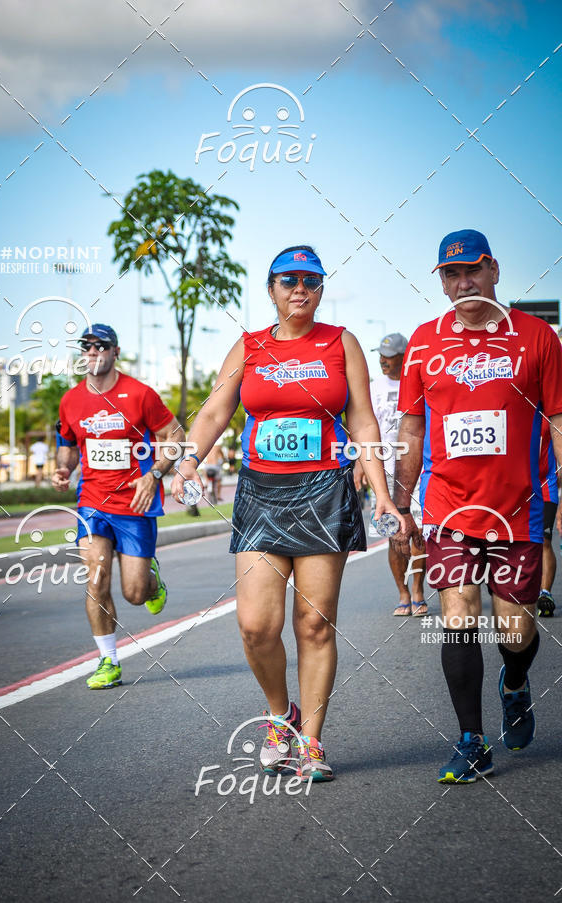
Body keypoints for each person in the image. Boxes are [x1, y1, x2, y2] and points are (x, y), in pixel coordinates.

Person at [171, 245, 403, 781]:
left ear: (321, 287)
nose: (301, 289)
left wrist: (383, 494)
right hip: (260, 495)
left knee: (315, 626)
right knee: (255, 625)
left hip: (323, 492)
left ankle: (313, 743)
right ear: (271, 289)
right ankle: (281, 716)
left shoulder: (341, 342)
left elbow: (364, 421)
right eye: (289, 280)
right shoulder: (248, 347)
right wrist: (186, 465)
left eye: (312, 280)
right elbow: (213, 412)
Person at [393, 229, 562, 783]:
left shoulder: (537, 337)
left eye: (473, 270)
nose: (463, 282)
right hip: (449, 507)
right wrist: (401, 500)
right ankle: (472, 740)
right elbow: (413, 429)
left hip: (517, 507)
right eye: (450, 274)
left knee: (516, 631)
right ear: (441, 282)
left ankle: (514, 682)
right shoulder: (423, 341)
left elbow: (557, 420)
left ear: (494, 270)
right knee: (458, 614)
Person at [52, 323, 185, 690]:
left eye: (101, 346)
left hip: (135, 502)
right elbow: (66, 441)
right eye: (87, 346)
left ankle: (152, 581)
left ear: (115, 352)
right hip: (92, 502)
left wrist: (155, 474)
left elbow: (175, 436)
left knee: (135, 593)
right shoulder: (70, 400)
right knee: (96, 577)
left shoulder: (140, 395)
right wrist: (64, 467)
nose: (92, 352)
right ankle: (108, 661)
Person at [368, 333, 426, 616]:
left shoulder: (416, 381)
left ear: (403, 357)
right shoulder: (374, 387)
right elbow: (365, 427)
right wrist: (361, 465)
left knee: (419, 533)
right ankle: (402, 592)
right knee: (393, 534)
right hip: (386, 471)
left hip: (418, 468)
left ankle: (417, 589)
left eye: (388, 356)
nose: (382, 360)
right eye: (380, 354)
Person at [537, 423, 558, 617]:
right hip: (517, 487)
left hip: (545, 487)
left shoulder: (549, 415)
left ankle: (545, 593)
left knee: (545, 541)